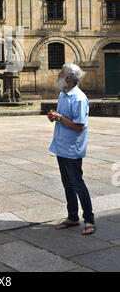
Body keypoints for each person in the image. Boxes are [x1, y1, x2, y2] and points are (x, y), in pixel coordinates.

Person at [47, 63, 96, 235]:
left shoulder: (79, 98)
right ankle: (73, 216)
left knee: (77, 184)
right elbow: (64, 119)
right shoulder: (63, 94)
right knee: (67, 183)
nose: (58, 75)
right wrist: (55, 117)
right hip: (61, 145)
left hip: (73, 148)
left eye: (61, 73)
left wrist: (59, 117)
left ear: (68, 78)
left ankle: (89, 219)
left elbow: (79, 126)